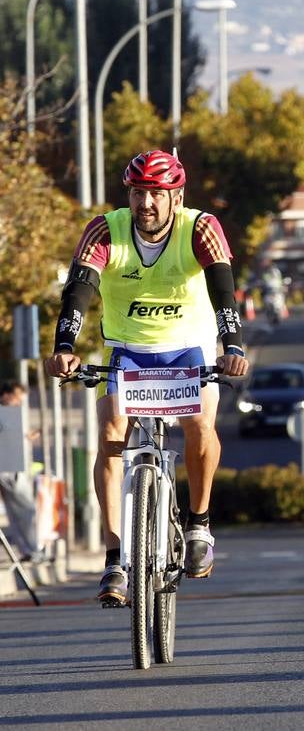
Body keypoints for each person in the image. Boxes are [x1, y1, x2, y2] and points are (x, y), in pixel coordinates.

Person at [44, 150, 249, 605]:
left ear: (177, 196)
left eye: (157, 193)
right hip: (126, 348)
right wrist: (64, 348)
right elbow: (79, 292)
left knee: (200, 427)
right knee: (112, 432)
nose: (147, 204)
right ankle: (115, 557)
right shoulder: (105, 229)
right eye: (138, 193)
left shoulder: (201, 228)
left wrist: (232, 346)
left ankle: (198, 523)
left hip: (189, 347)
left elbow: (223, 292)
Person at [0, 381, 37, 560]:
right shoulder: (5, 412)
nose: (18, 402)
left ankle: (27, 550)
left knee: (15, 513)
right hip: (10, 468)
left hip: (10, 466)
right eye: (16, 398)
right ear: (6, 395)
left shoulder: (9, 414)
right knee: (25, 510)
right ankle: (32, 550)